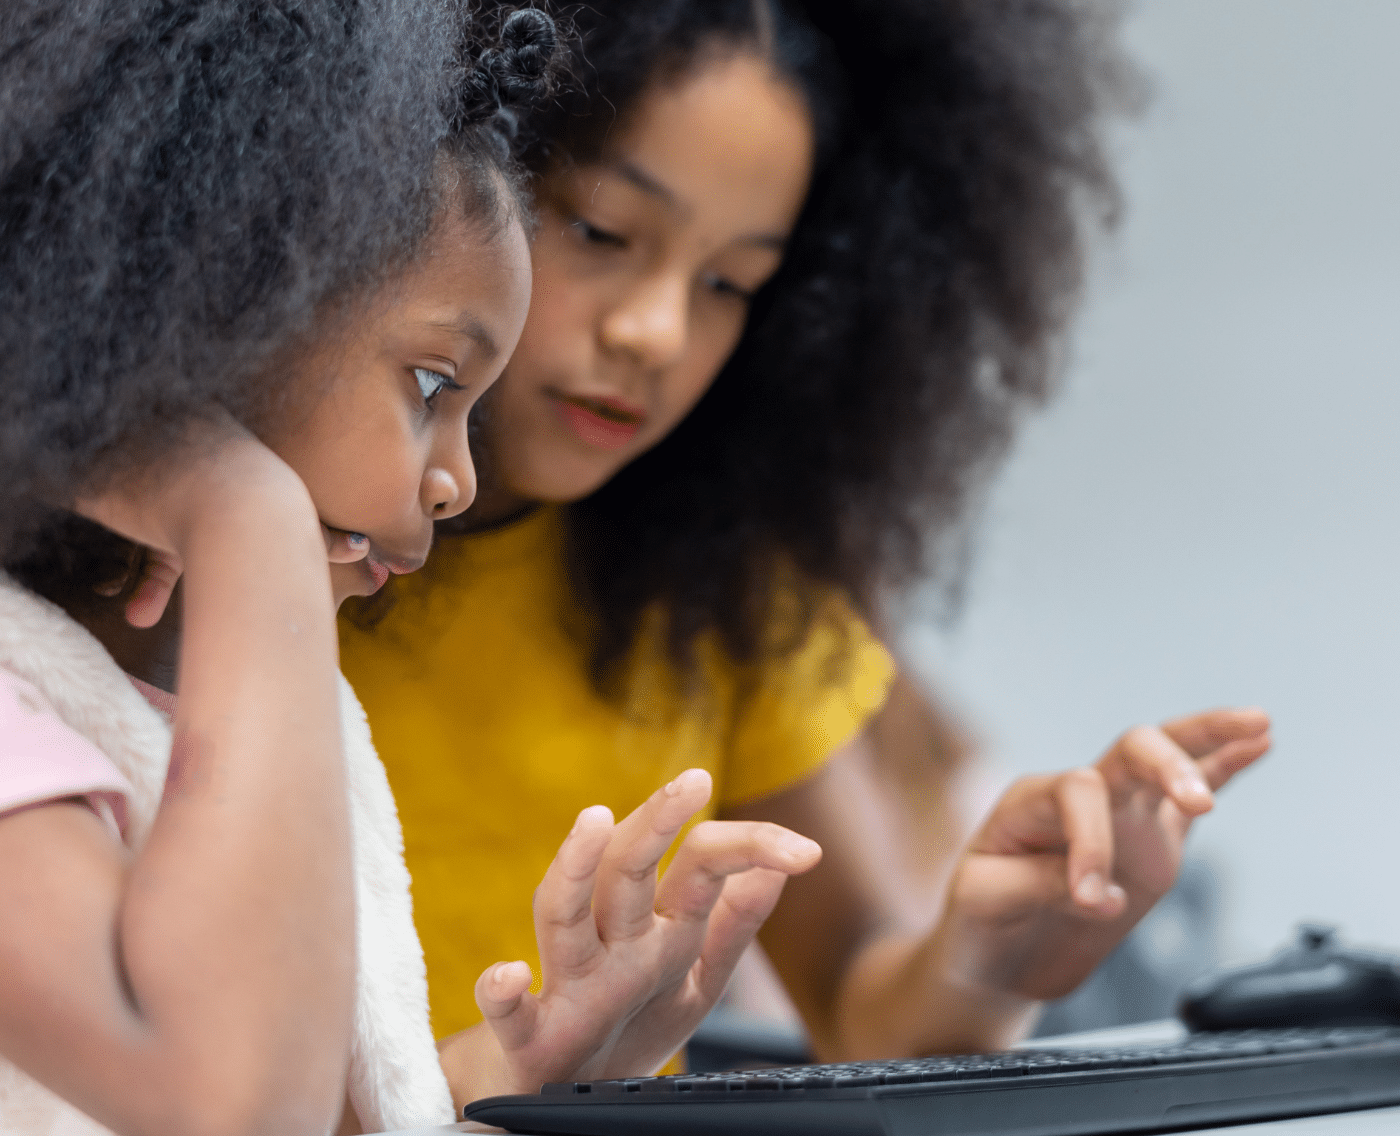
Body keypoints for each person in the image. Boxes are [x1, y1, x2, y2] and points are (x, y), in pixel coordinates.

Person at [339, 0, 1273, 1067]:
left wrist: (995, 956)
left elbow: (865, 1013)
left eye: (728, 283)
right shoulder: (233, 556)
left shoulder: (723, 589)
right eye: (600, 231)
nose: (654, 331)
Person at [0, 3, 821, 1133]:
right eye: (434, 385)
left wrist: (518, 1070)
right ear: (209, 317)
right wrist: (246, 509)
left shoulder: (261, 721)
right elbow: (230, 1104)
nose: (460, 483)